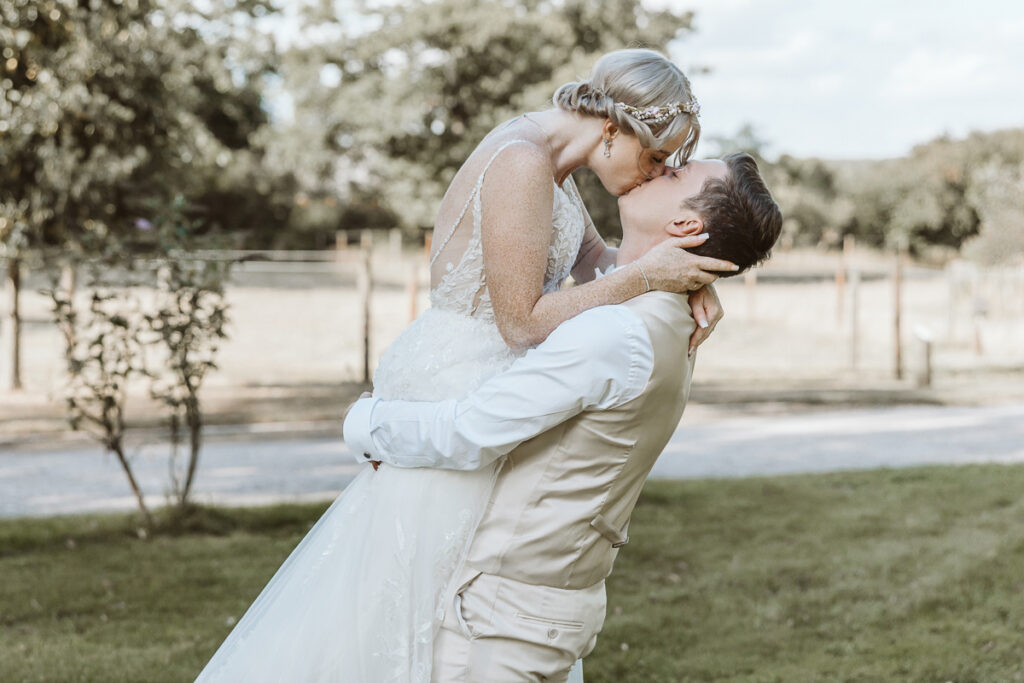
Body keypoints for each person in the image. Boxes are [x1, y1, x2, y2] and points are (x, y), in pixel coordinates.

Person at [194, 49, 734, 683]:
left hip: (486, 379)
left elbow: (599, 264)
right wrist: (645, 275)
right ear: (614, 130)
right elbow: (523, 323)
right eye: (655, 157)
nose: (655, 174)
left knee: (446, 602)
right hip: (455, 381)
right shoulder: (523, 161)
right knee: (405, 605)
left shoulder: (551, 168)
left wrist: (677, 276)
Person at [342, 152, 784, 682]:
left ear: (686, 226)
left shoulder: (614, 334)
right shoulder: (664, 316)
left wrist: (365, 424)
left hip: (499, 623)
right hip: (538, 608)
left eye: (675, 175)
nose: (659, 166)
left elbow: (470, 432)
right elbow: (606, 267)